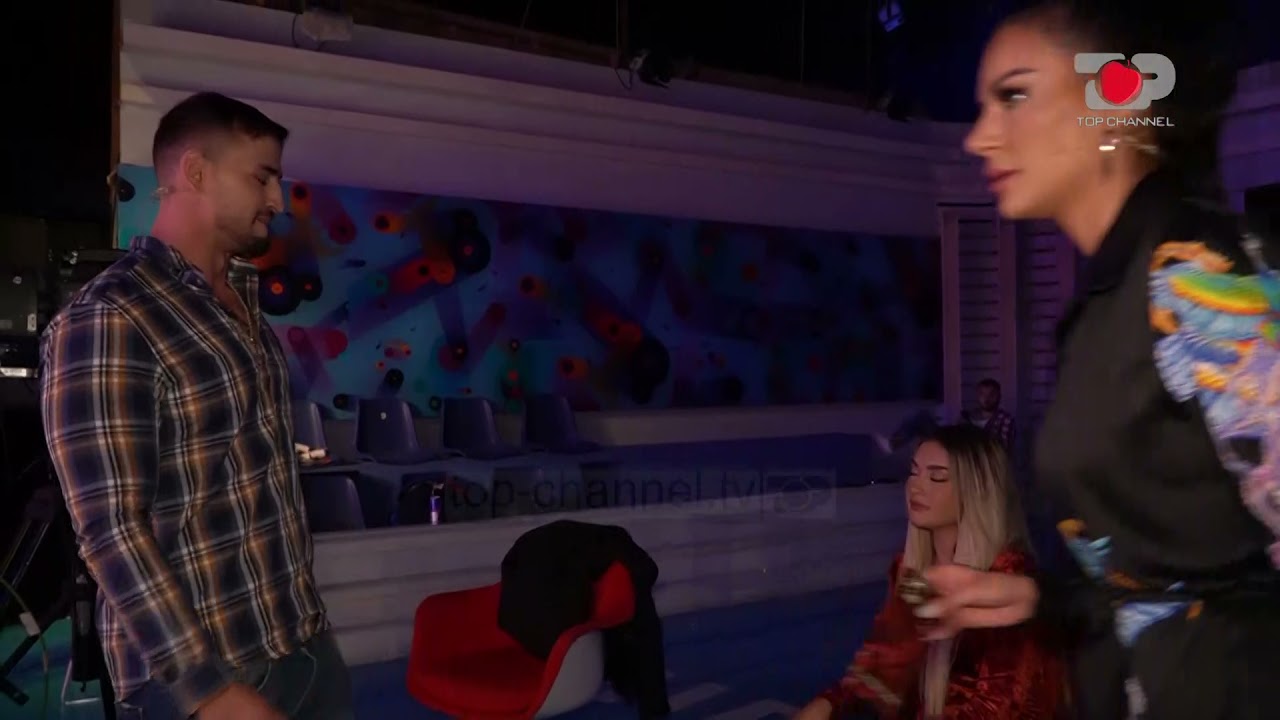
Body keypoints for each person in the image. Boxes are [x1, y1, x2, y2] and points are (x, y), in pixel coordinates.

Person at [916, 3, 1280, 719]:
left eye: (1014, 96)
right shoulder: (1104, 305)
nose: (979, 136)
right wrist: (1043, 597)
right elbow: (1162, 565)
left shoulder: (1194, 270)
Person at [40, 92, 352, 720]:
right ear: (196, 172)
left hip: (301, 641)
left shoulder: (244, 308)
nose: (277, 200)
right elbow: (111, 528)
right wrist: (206, 689)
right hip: (212, 677)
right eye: (262, 177)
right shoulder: (112, 315)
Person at [794, 425, 1063, 719]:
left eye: (937, 477)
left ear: (976, 491)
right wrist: (828, 704)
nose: (915, 486)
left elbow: (1004, 705)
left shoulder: (1007, 576)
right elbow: (881, 670)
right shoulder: (910, 570)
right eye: (914, 472)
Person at [960, 378, 1015, 453]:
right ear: (977, 396)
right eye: (982, 394)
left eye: (992, 394)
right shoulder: (966, 418)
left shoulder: (1006, 420)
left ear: (999, 396)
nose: (987, 398)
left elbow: (1003, 448)